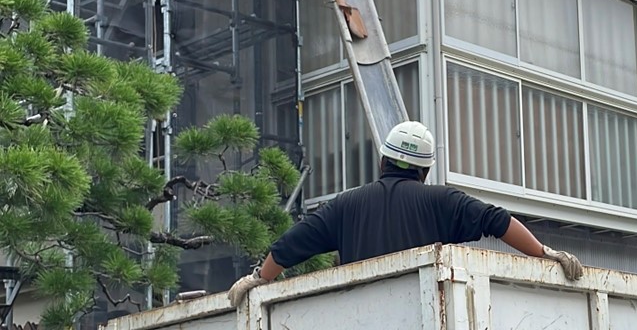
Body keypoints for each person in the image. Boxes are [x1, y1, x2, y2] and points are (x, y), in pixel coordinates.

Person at [227, 121, 583, 306]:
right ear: (424, 170)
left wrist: (259, 278)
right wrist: (545, 253)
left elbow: (290, 245)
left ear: (382, 160)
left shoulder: (344, 205)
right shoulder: (444, 202)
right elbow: (498, 220)